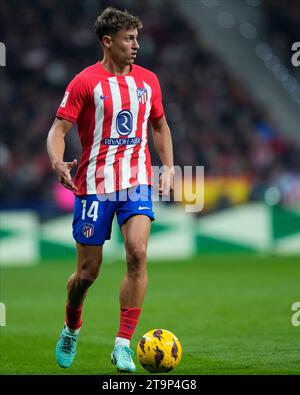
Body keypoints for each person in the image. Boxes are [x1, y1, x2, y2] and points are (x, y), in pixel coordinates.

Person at [47, 7, 174, 373]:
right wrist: (58, 161)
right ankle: (72, 326)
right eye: (129, 39)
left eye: (137, 38)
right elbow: (57, 131)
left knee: (137, 253)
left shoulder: (149, 81)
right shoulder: (85, 82)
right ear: (108, 41)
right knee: (87, 273)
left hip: (136, 181)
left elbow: (161, 127)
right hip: (95, 187)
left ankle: (123, 345)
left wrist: (166, 168)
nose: (136, 45)